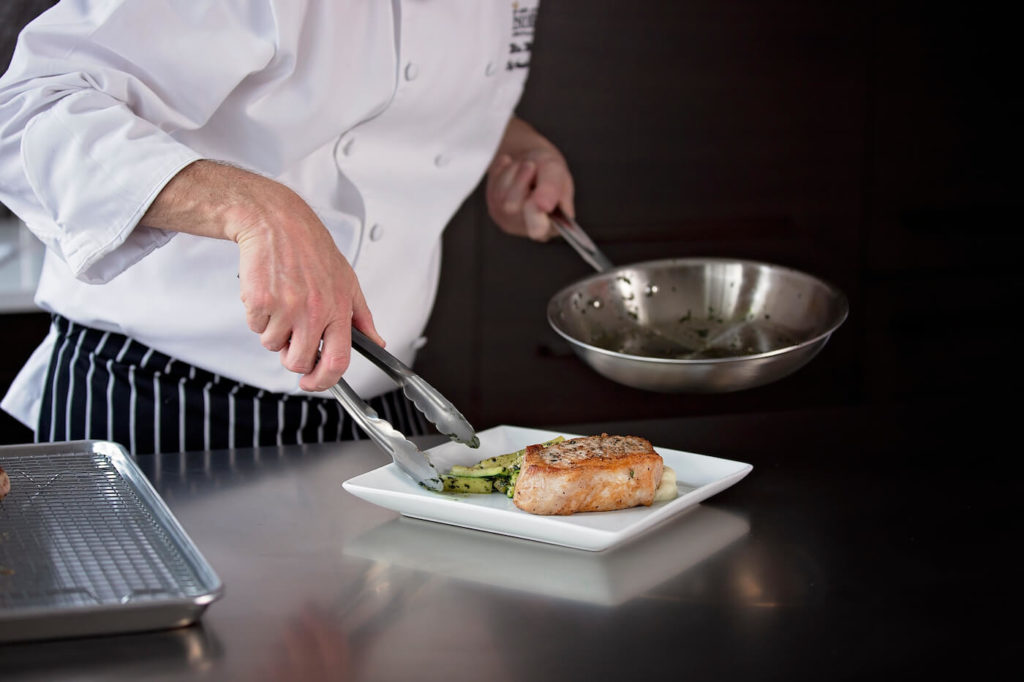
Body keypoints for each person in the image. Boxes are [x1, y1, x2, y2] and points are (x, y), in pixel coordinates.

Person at [0, 1, 574, 454]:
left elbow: (386, 88)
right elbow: (28, 107)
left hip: (383, 401)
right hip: (158, 395)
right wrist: (251, 207)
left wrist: (508, 141)